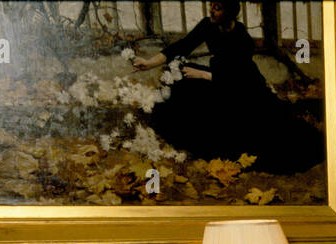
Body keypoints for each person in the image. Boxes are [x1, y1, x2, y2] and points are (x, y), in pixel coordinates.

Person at [132, 2, 323, 173]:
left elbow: (239, 77)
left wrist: (205, 75)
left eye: (218, 7)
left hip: (242, 87)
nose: (212, 11)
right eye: (212, 6)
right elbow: (182, 46)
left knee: (254, 131)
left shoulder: (242, 38)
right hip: (218, 76)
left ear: (230, 12)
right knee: (180, 83)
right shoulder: (208, 25)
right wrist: (149, 63)